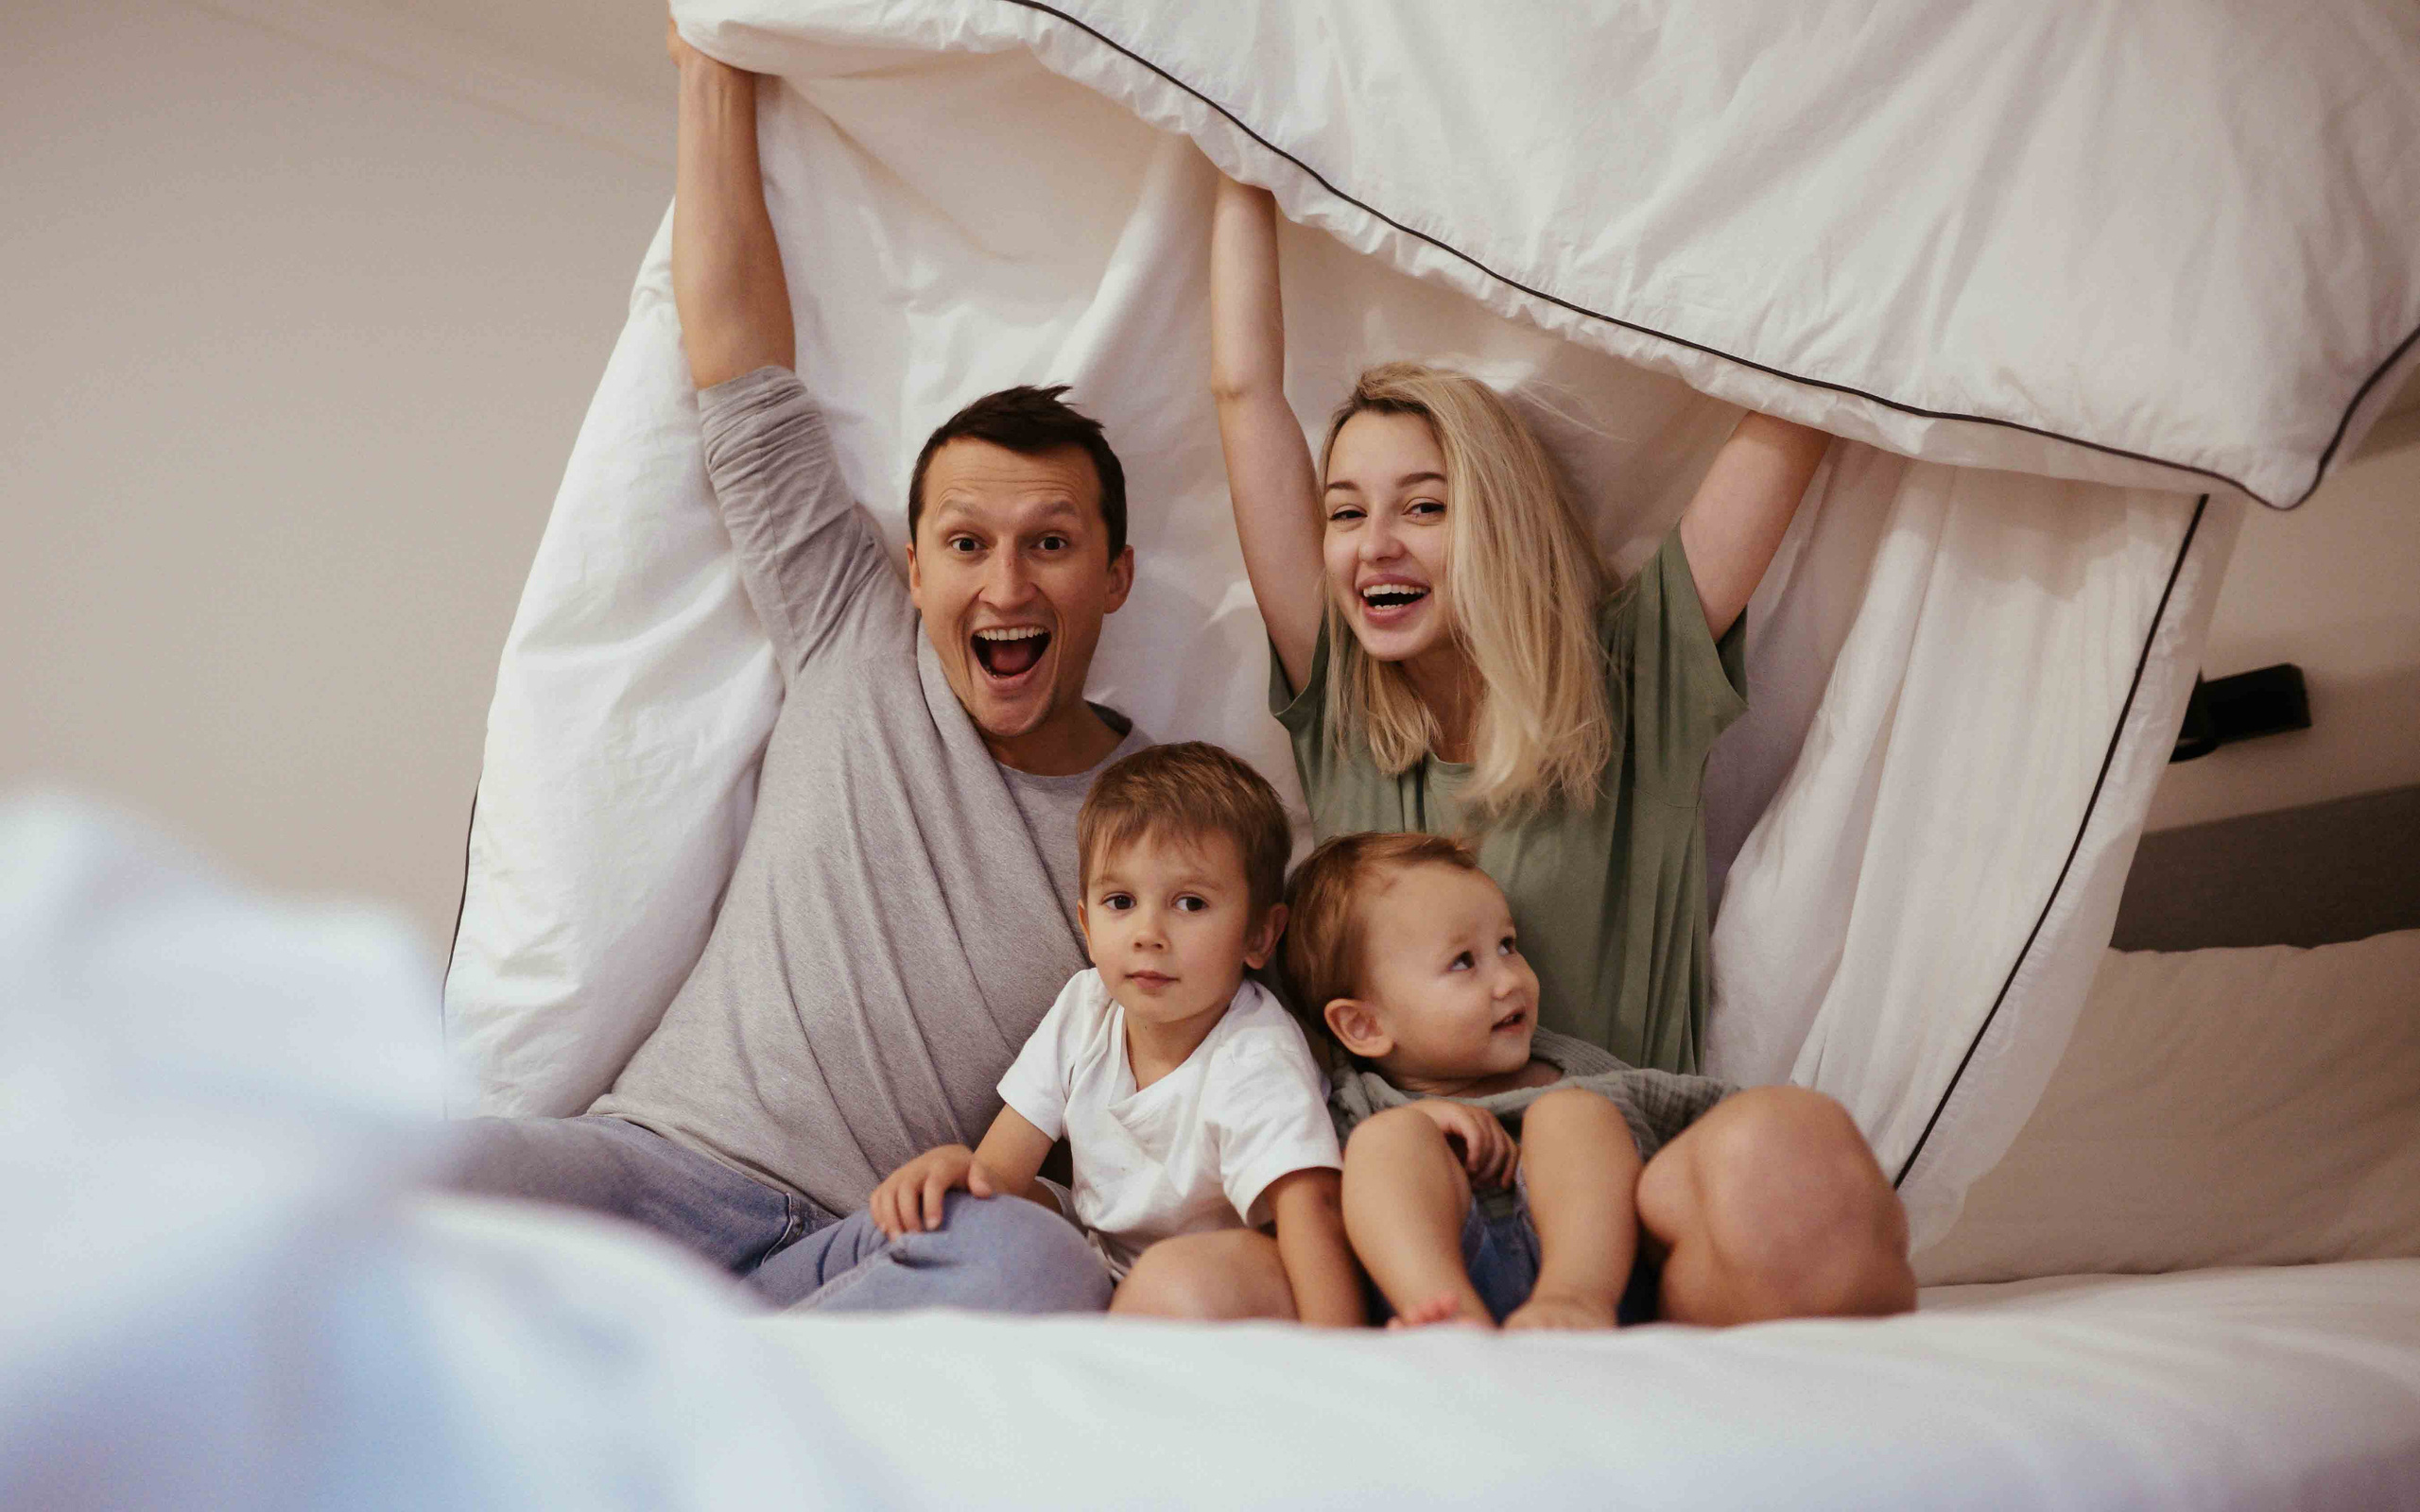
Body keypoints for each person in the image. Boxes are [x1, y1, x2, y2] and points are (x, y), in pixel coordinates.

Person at [444, 24, 1148, 1314]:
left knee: (1038, 1259)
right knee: (411, 1153)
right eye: (967, 545)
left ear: (1115, 576)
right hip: (656, 1169)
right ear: (915, 569)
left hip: (870, 1239)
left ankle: (720, 1382)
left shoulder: (1167, 812)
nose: (1006, 586)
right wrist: (715, 62)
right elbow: (736, 365)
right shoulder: (852, 628)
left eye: (1051, 545)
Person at [1135, 172, 1912, 1323]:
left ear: (1493, 519)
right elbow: (1244, 393)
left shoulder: (1633, 678)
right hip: (1407, 1224)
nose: (1372, 543)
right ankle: (1444, 1375)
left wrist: (1873, 179)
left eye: (1423, 506)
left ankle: (1628, 1362)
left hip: (1621, 1201)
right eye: (1345, 512)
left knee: (1797, 1147)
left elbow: (1790, 408)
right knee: (1179, 1290)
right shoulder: (1345, 701)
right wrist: (1242, 139)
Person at [821, 743, 1360, 1323]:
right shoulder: (1086, 1007)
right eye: (1121, 901)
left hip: (1242, 1277)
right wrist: (959, 1168)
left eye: (1190, 903)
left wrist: (1340, 1360)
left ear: (1259, 934)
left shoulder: (1256, 1053)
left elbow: (1313, 1220)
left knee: (1172, 1281)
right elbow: (1002, 1173)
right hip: (1105, 1268)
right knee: (970, 1210)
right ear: (1086, 921)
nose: (1148, 933)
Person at [1288, 832, 1911, 1329]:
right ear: (1364, 1027)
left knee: (1573, 1114)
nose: (1509, 978)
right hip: (1445, 1278)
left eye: (1508, 945)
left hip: (1607, 1279)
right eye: (1464, 962)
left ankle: (1573, 1297)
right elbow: (1320, 1207)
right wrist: (1417, 1120)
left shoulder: (1575, 1070)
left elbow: (1695, 1129)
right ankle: (1445, 1320)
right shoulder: (1354, 1105)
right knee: (1384, 1144)